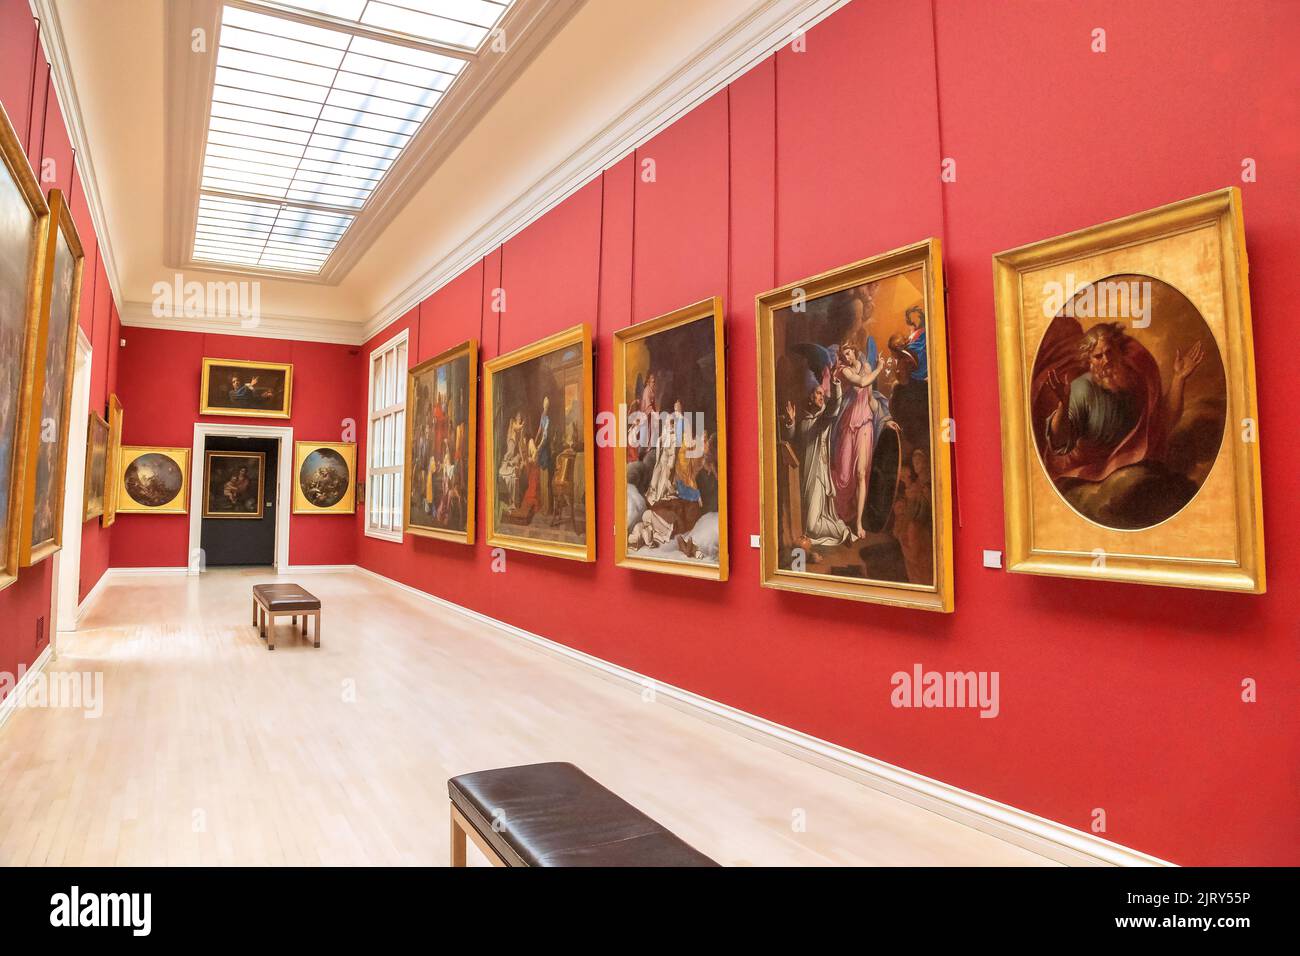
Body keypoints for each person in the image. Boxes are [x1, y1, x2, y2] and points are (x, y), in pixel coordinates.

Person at [1040, 321, 1203, 482]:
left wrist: (1179, 379)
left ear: (1119, 351)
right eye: (1098, 356)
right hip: (1086, 476)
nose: (1107, 360)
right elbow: (1060, 442)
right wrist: (1064, 404)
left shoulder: (1136, 381)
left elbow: (1162, 423)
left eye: (1110, 352)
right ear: (1088, 361)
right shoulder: (1082, 389)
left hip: (1129, 468)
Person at [781, 378, 850, 550]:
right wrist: (790, 422)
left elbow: (834, 406)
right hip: (801, 476)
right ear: (810, 397)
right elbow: (791, 439)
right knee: (804, 523)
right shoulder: (804, 419)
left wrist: (836, 385)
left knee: (811, 527)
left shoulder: (822, 420)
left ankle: (841, 529)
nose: (821, 397)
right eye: (818, 393)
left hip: (817, 476)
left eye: (822, 394)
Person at [831, 344, 884, 540]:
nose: (846, 356)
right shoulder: (843, 371)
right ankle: (842, 515)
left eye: (849, 352)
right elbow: (861, 383)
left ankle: (859, 522)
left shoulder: (867, 368)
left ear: (854, 351)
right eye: (843, 354)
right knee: (844, 477)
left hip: (865, 425)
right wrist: (879, 368)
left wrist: (886, 418)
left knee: (862, 473)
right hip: (847, 426)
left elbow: (870, 398)